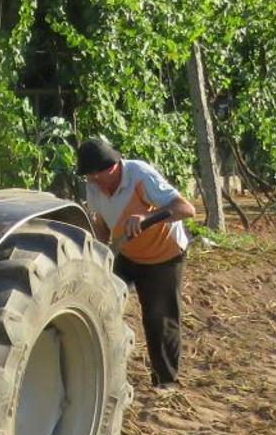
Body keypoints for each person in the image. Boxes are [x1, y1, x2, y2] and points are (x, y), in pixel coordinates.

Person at [76, 137, 196, 387]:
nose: (93, 183)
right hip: (128, 253)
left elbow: (186, 209)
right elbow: (102, 225)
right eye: (88, 178)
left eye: (96, 177)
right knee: (100, 301)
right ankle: (97, 374)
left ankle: (166, 382)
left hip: (163, 256)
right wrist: (98, 254)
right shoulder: (94, 185)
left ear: (112, 168)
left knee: (158, 318)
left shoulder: (140, 176)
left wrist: (146, 217)